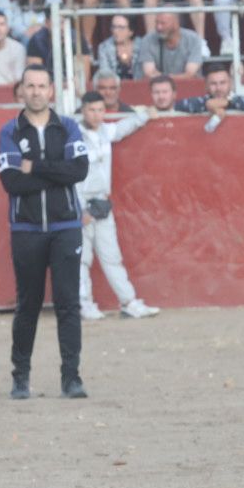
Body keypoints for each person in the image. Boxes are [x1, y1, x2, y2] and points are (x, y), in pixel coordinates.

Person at [0, 66, 91, 400]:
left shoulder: (67, 127)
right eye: (30, 86)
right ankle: (20, 377)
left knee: (68, 304)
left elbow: (79, 171)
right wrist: (57, 173)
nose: (36, 92)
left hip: (66, 227)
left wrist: (34, 166)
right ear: (20, 90)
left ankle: (72, 378)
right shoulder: (9, 131)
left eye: (42, 86)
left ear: (51, 90)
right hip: (26, 230)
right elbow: (12, 182)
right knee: (28, 305)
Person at [75, 91, 160, 321]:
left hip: (101, 203)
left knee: (111, 255)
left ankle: (128, 301)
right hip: (80, 204)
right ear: (82, 110)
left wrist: (144, 115)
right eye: (92, 110)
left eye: (100, 110)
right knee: (81, 258)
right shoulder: (72, 135)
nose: (96, 115)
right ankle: (84, 303)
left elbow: (123, 128)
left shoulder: (104, 131)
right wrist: (77, 208)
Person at [174, 59, 244, 113]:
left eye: (222, 83)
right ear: (206, 85)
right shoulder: (201, 101)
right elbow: (176, 106)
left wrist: (228, 103)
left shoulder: (238, 100)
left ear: (230, 83)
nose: (218, 88)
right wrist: (207, 104)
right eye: (213, 83)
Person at [137, 8, 204, 76]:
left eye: (163, 23)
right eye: (157, 22)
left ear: (176, 23)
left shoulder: (193, 39)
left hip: (188, 85)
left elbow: (190, 74)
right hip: (158, 85)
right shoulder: (148, 40)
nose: (158, 27)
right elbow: (149, 73)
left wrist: (167, 79)